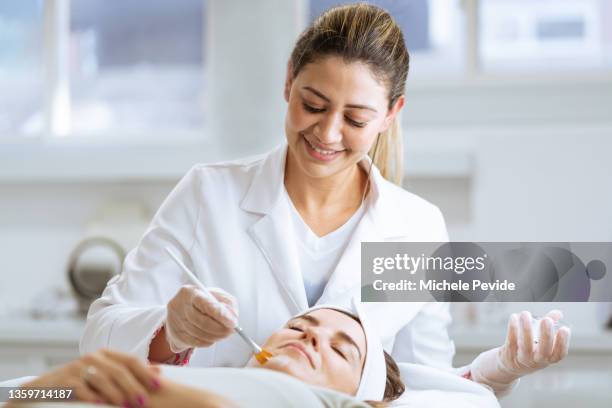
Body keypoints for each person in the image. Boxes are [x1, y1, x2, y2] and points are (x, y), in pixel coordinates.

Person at [80, 3, 570, 398]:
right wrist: (172, 330)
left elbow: (419, 389)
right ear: (289, 80)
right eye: (312, 105)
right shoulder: (211, 195)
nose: (328, 133)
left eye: (356, 119)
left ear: (391, 114)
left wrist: (499, 371)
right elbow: (99, 333)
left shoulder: (415, 227)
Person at [14, 308, 403, 408]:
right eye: (299, 326)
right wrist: (41, 391)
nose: (313, 334)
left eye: (340, 350)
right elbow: (16, 396)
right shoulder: (192, 380)